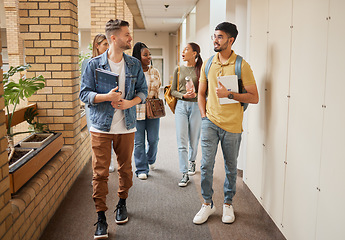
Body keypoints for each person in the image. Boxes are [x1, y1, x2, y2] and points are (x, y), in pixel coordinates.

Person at [79, 19, 147, 239]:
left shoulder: (135, 64)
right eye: (127, 34)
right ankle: (100, 218)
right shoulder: (92, 65)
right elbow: (84, 95)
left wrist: (130, 102)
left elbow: (143, 92)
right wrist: (105, 97)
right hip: (100, 127)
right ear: (114, 38)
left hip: (126, 127)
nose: (130, 38)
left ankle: (122, 202)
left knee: (126, 170)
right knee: (100, 173)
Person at [193, 22, 259, 225]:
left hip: (232, 125)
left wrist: (229, 94)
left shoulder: (242, 65)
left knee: (231, 167)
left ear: (231, 40)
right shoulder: (208, 63)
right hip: (210, 122)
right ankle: (207, 203)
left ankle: (228, 203)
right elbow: (201, 94)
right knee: (206, 165)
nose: (215, 39)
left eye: (220, 37)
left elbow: (254, 97)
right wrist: (204, 116)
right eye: (214, 36)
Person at [81, 34, 116, 174]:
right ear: (97, 45)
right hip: (93, 104)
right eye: (105, 44)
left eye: (109, 44)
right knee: (95, 135)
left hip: (109, 102)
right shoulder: (87, 63)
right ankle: (98, 170)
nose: (108, 47)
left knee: (110, 132)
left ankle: (110, 161)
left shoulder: (111, 62)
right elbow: (84, 88)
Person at [171, 42, 203, 187]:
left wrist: (196, 94)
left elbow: (206, 92)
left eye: (186, 50)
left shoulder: (201, 70)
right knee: (181, 140)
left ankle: (192, 162)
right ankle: (184, 173)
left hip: (196, 106)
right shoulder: (178, 70)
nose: (183, 52)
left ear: (194, 53)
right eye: (183, 50)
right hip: (181, 106)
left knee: (194, 139)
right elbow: (172, 91)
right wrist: (183, 96)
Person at [132, 42, 162, 180]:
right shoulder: (131, 72)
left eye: (149, 54)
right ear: (138, 56)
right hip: (136, 110)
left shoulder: (155, 71)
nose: (149, 57)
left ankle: (150, 159)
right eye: (145, 55)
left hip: (152, 110)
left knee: (153, 139)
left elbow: (157, 89)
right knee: (138, 142)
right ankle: (141, 168)